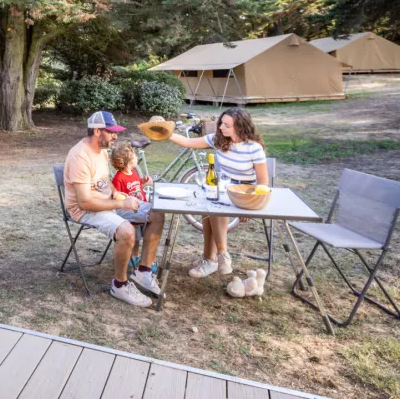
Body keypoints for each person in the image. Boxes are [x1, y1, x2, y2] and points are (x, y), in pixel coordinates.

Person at [63, 111, 165, 307]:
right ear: (97, 131)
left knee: (157, 213)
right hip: (86, 210)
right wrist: (120, 204)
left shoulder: (102, 151)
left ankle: (143, 272)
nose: (115, 136)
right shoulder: (80, 156)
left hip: (106, 202)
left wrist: (117, 193)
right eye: (111, 132)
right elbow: (84, 202)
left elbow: (104, 181)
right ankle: (120, 285)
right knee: (126, 231)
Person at [167, 107, 268, 278]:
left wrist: (249, 205)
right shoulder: (219, 140)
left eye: (227, 125)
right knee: (210, 206)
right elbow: (187, 142)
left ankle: (216, 257)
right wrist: (164, 133)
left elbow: (263, 183)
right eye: (221, 123)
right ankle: (215, 257)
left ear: (241, 127)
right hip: (222, 192)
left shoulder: (254, 149)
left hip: (243, 196)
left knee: (213, 206)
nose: (221, 127)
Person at [111, 142, 151, 273]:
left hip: (140, 207)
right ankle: (132, 256)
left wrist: (143, 182)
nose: (137, 158)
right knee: (136, 236)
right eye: (134, 156)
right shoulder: (118, 178)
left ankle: (136, 255)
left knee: (139, 236)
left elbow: (136, 187)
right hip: (131, 212)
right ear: (128, 162)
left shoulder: (133, 172)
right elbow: (117, 197)